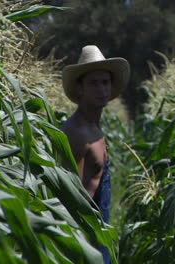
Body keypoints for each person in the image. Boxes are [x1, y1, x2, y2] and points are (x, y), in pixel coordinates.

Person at [61, 45, 130, 264]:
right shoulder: (76, 132)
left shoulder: (94, 128)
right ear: (79, 88)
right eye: (93, 83)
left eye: (105, 82)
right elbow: (74, 199)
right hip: (88, 240)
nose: (102, 89)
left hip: (100, 234)